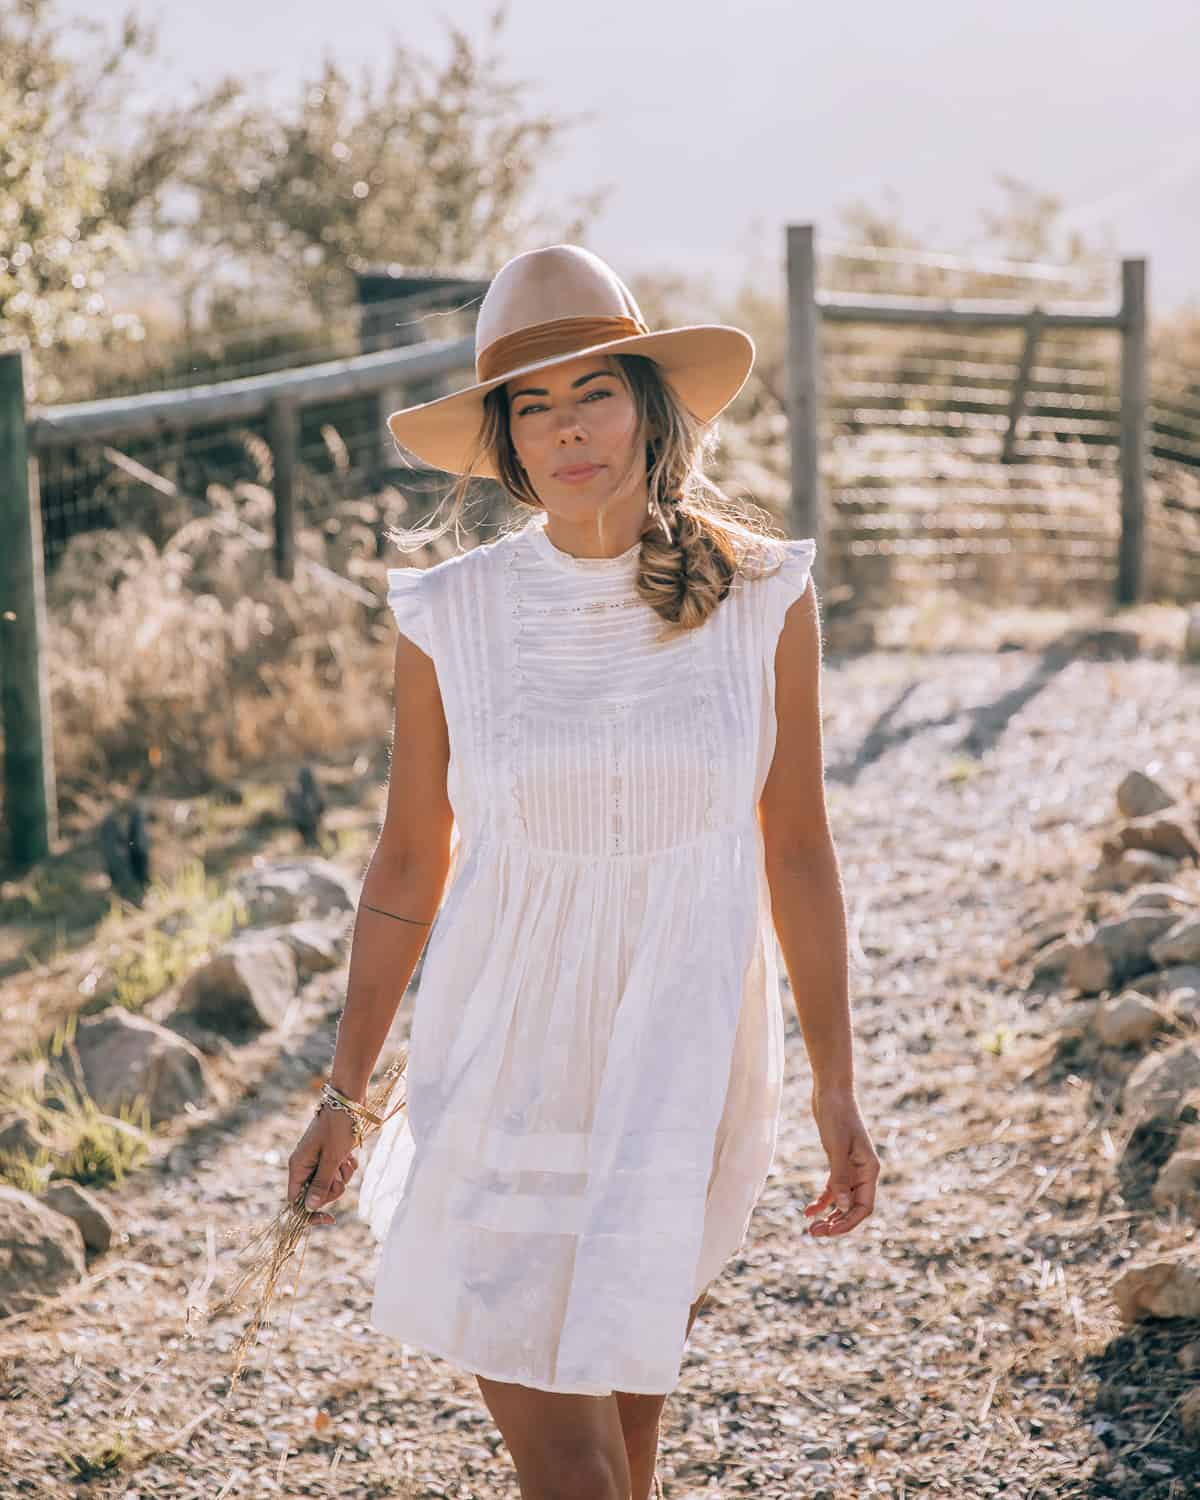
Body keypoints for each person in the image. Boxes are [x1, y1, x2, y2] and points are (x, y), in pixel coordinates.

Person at [288, 243, 879, 1500]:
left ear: (648, 404)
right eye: (532, 406)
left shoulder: (765, 596)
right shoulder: (451, 616)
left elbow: (797, 847)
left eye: (593, 392)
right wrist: (344, 1090)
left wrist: (837, 1083)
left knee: (628, 1460)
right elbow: (408, 858)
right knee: (579, 1473)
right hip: (504, 1064)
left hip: (680, 1065)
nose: (568, 431)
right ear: (501, 439)